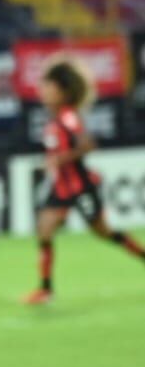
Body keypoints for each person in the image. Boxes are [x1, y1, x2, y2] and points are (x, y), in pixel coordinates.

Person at [27, 59, 145, 305]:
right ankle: (45, 289)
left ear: (62, 92)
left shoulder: (68, 117)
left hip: (80, 187)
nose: (44, 92)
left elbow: (87, 144)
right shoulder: (55, 118)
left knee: (103, 232)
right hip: (61, 188)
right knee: (44, 229)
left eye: (49, 87)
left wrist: (60, 159)